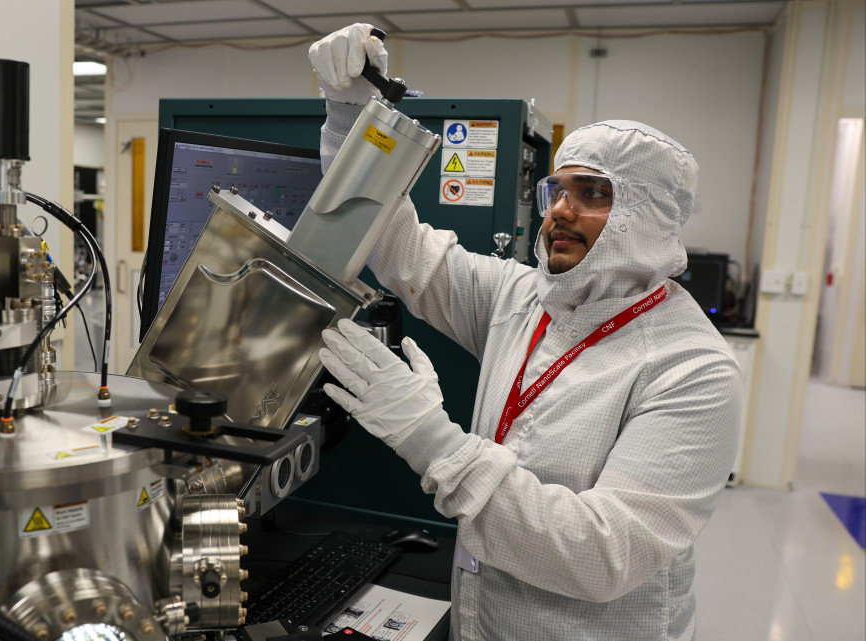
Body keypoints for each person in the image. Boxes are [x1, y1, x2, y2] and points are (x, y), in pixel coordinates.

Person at [310, 23, 743, 641]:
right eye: (557, 189)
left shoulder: (692, 369)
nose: (559, 210)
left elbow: (604, 555)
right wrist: (353, 117)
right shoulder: (525, 298)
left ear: (649, 215)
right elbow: (396, 246)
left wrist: (433, 442)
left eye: (592, 193)